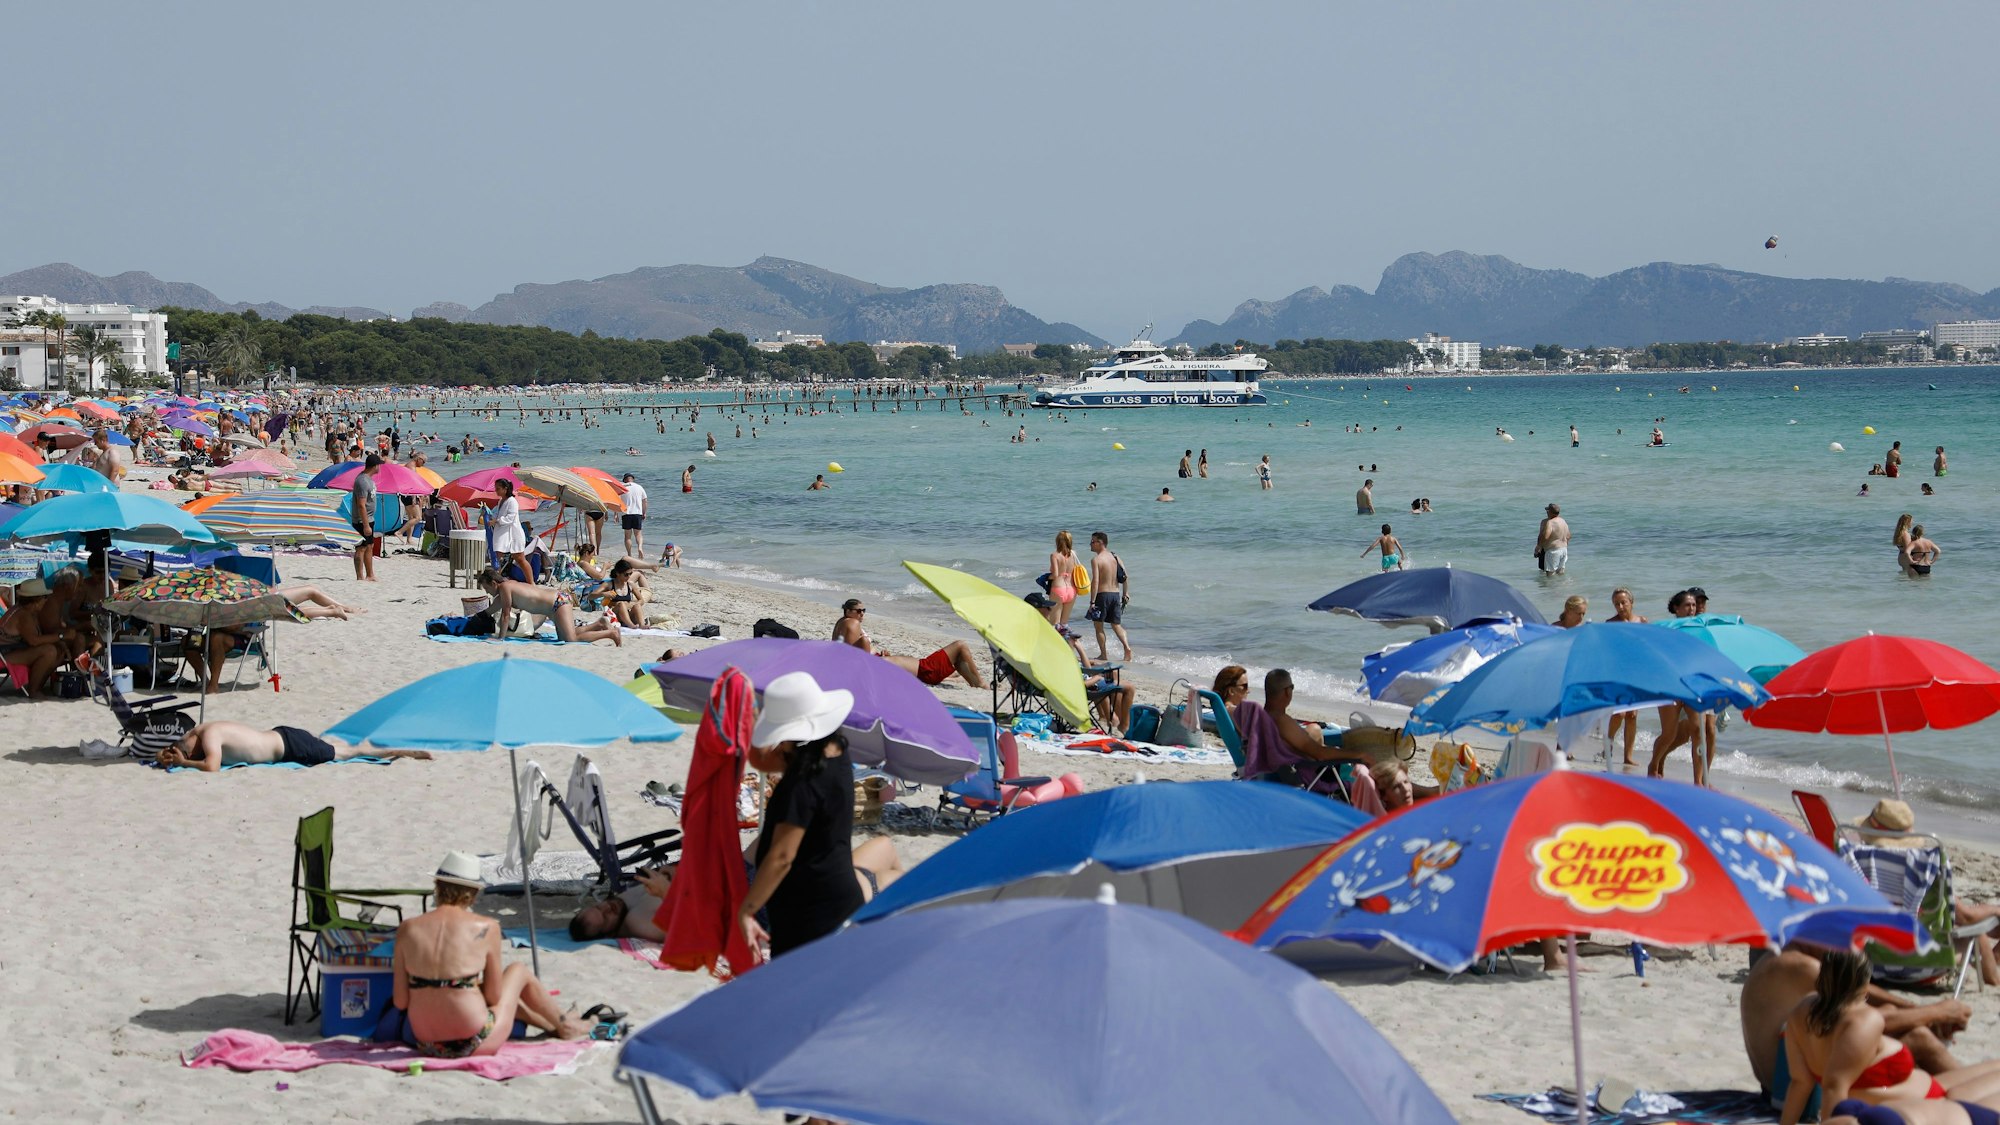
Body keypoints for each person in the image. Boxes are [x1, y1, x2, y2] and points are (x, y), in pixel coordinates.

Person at [740, 673, 905, 959]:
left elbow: (781, 858)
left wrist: (748, 910)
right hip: (834, 893)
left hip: (810, 912)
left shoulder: (802, 782)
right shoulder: (836, 750)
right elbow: (764, 760)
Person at [392, 852, 593, 1057]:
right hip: (475, 1040)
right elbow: (494, 996)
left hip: (427, 1043)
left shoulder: (407, 929)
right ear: (473, 893)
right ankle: (565, 1025)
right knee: (517, 971)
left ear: (438, 886)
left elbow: (400, 1002)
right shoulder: (486, 927)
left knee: (466, 987)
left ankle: (558, 1026)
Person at [1742, 943, 1972, 1119]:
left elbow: (1854, 1001)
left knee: (1902, 1022)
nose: (1844, 941)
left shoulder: (1782, 959)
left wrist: (1918, 1011)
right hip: (1792, 1087)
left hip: (1788, 1080)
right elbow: (1860, 1018)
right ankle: (1960, 1103)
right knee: (1920, 1038)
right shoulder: (1802, 966)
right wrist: (1938, 1011)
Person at [831, 599, 986, 688]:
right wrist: (873, 656)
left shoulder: (841, 623)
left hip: (914, 670)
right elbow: (858, 657)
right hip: (925, 670)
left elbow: (847, 652)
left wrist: (876, 655)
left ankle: (964, 679)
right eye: (858, 611)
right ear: (848, 611)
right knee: (960, 645)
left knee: (954, 669)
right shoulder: (852, 623)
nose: (862, 613)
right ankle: (981, 685)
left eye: (864, 610)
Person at [156, 721, 432, 770]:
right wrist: (163, 757)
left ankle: (400, 750)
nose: (193, 754)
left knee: (349, 754)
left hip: (290, 746)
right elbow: (165, 752)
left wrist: (184, 763)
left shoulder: (210, 735)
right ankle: (367, 743)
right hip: (283, 737)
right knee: (337, 748)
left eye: (190, 751)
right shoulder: (202, 732)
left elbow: (211, 767)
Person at [1648, 590, 1707, 784]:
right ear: (1676, 608)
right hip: (1671, 684)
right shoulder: (1667, 629)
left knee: (1698, 731)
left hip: (1693, 685)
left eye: (1693, 605)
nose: (1692, 609)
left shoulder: (1700, 629)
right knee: (1669, 734)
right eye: (1687, 606)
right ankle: (1653, 764)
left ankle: (1698, 781)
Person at [474, 568, 621, 644]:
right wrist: (470, 619)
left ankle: (610, 633)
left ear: (494, 583)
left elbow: (506, 615)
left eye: (487, 589)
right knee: (566, 637)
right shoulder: (507, 587)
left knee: (571, 640)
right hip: (555, 603)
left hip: (558, 601)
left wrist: (500, 638)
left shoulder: (505, 588)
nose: (488, 592)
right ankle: (599, 624)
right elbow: (489, 611)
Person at [1604, 588, 1649, 765]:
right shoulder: (1610, 624)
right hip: (1618, 671)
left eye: (1624, 602)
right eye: (1617, 603)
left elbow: (1648, 646)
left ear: (1632, 602)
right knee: (1620, 713)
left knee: (1632, 715)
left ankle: (1628, 756)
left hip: (1637, 672)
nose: (1620, 606)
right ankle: (1608, 740)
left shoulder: (1642, 621)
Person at [0, 577, 65, 696]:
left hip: (11, 650)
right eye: (45, 597)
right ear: (36, 600)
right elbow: (34, 641)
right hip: (3, 654)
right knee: (49, 651)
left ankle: (38, 686)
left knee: (57, 650)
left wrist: (59, 640)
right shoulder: (23, 615)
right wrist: (61, 636)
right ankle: (34, 690)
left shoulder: (25, 610)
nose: (46, 600)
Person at [1088, 531, 1131, 662]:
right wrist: (1125, 593)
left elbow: (1095, 581)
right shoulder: (1115, 557)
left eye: (1093, 541)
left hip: (1102, 595)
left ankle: (1103, 655)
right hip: (1115, 595)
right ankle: (1127, 648)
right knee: (1116, 625)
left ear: (1100, 543)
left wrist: (1092, 602)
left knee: (1098, 626)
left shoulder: (1096, 560)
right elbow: (1124, 576)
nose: (1090, 544)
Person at [489, 477, 530, 583]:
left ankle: (531, 582)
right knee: (497, 557)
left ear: (505, 489)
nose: (496, 491)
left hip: (514, 534)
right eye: (496, 488)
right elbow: (499, 514)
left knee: (520, 559)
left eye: (498, 489)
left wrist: (497, 521)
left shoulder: (512, 501)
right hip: (503, 534)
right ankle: (496, 580)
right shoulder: (501, 501)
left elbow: (510, 518)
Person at [351, 454, 382, 582]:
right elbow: (361, 504)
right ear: (375, 466)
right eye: (379, 465)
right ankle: (360, 577)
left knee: (369, 546)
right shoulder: (362, 481)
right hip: (362, 520)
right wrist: (365, 525)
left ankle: (370, 575)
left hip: (370, 518)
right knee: (361, 547)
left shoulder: (369, 479)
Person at [1044, 530, 1080, 628]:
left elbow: (1055, 575)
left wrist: (1046, 578)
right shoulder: (1073, 554)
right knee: (1064, 624)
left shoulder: (1055, 555)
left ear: (1057, 541)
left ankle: (1054, 642)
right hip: (1072, 590)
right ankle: (1069, 642)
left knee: (1055, 624)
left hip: (1059, 589)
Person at [618, 471, 649, 557]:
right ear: (633, 479)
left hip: (626, 513)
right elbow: (645, 500)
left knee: (627, 536)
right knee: (638, 534)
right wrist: (644, 512)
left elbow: (618, 501)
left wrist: (616, 514)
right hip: (637, 513)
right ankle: (639, 548)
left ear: (625, 480)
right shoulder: (639, 487)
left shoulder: (621, 487)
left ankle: (629, 554)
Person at [1536, 503, 1570, 574]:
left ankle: (1551, 585)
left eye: (1547, 510)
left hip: (1553, 551)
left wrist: (1539, 546)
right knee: (1560, 572)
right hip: (1564, 550)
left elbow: (1546, 536)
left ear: (1550, 512)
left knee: (1550, 574)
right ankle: (1561, 585)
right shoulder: (1563, 521)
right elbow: (1569, 536)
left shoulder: (1550, 522)